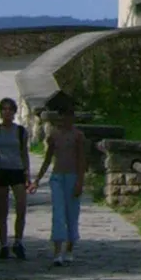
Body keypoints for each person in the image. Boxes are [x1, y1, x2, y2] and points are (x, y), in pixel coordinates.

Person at [31, 95, 88, 266]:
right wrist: (37, 179)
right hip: (57, 177)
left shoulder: (78, 136)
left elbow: (81, 160)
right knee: (58, 213)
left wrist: (80, 181)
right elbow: (48, 159)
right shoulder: (54, 135)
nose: (66, 119)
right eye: (63, 116)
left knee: (72, 213)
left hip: (72, 177)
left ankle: (69, 248)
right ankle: (57, 251)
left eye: (69, 116)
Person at [0, 97, 31, 258]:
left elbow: (24, 152)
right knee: (2, 210)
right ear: (0, 112)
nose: (7, 112)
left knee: (21, 208)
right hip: (1, 170)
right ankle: (4, 244)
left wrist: (27, 173)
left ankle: (18, 241)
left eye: (10, 109)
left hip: (17, 171)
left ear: (14, 112)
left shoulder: (20, 131)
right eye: (4, 109)